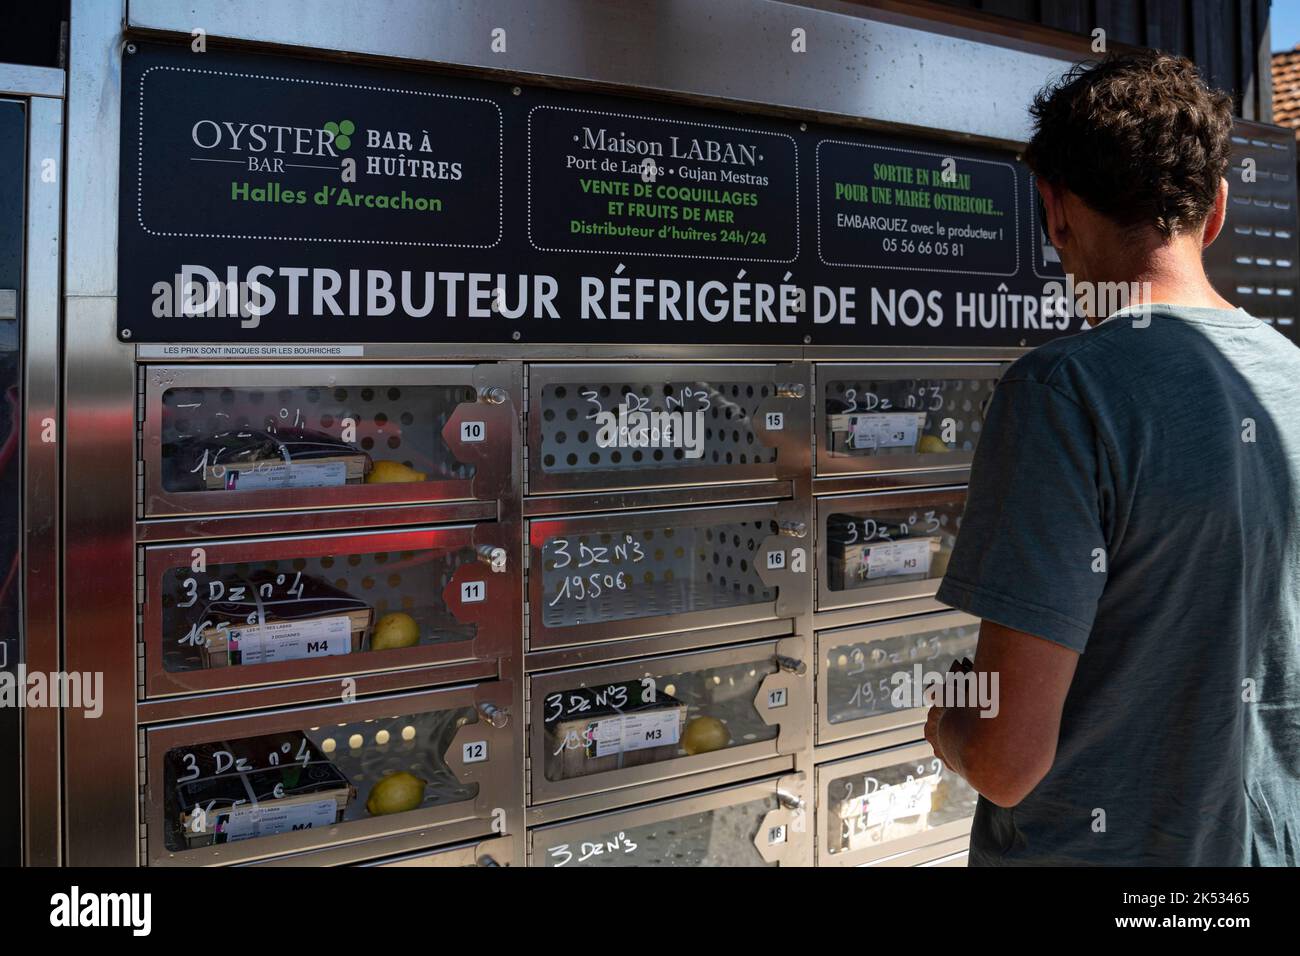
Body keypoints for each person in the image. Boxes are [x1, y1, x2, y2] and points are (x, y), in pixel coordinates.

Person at [924, 50, 1300, 866]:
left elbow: (1005, 761)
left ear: (1055, 212)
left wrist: (948, 714)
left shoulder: (1063, 392)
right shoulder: (1294, 381)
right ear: (1218, 211)